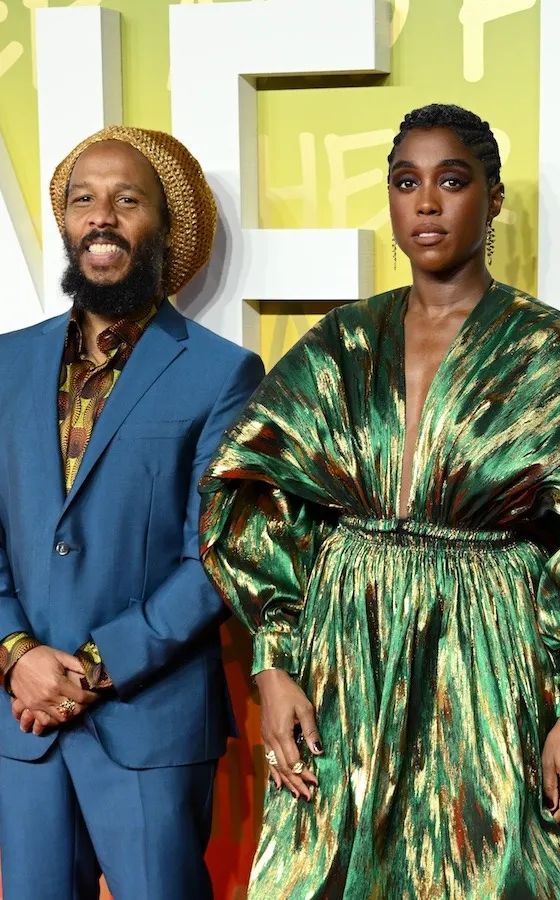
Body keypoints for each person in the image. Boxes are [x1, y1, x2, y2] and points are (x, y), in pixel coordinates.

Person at [199, 103, 560, 899]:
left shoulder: (547, 347)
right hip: (347, 652)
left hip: (492, 657)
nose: (427, 203)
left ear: (494, 198)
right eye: (407, 183)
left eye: (452, 181)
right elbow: (251, 489)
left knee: (504, 869)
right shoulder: (343, 341)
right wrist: (272, 661)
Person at [0, 125, 264, 899]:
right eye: (83, 199)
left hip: (149, 723)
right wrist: (18, 652)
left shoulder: (222, 374)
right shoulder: (6, 363)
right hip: (24, 724)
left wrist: (91, 666)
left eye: (127, 200)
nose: (101, 216)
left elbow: (217, 556)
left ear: (166, 228)